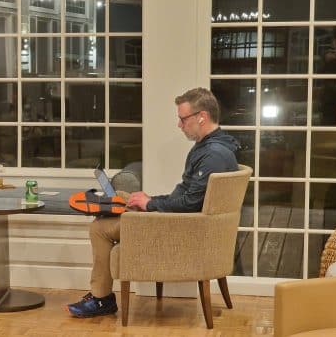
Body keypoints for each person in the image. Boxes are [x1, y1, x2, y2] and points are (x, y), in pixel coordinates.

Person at [66, 87, 239, 318]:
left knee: (100, 228)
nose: (179, 125)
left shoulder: (213, 155)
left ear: (202, 117)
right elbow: (188, 198)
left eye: (182, 118)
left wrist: (150, 205)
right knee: (122, 198)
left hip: (183, 227)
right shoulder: (211, 147)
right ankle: (115, 205)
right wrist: (149, 200)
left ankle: (101, 299)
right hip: (184, 220)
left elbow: (189, 204)